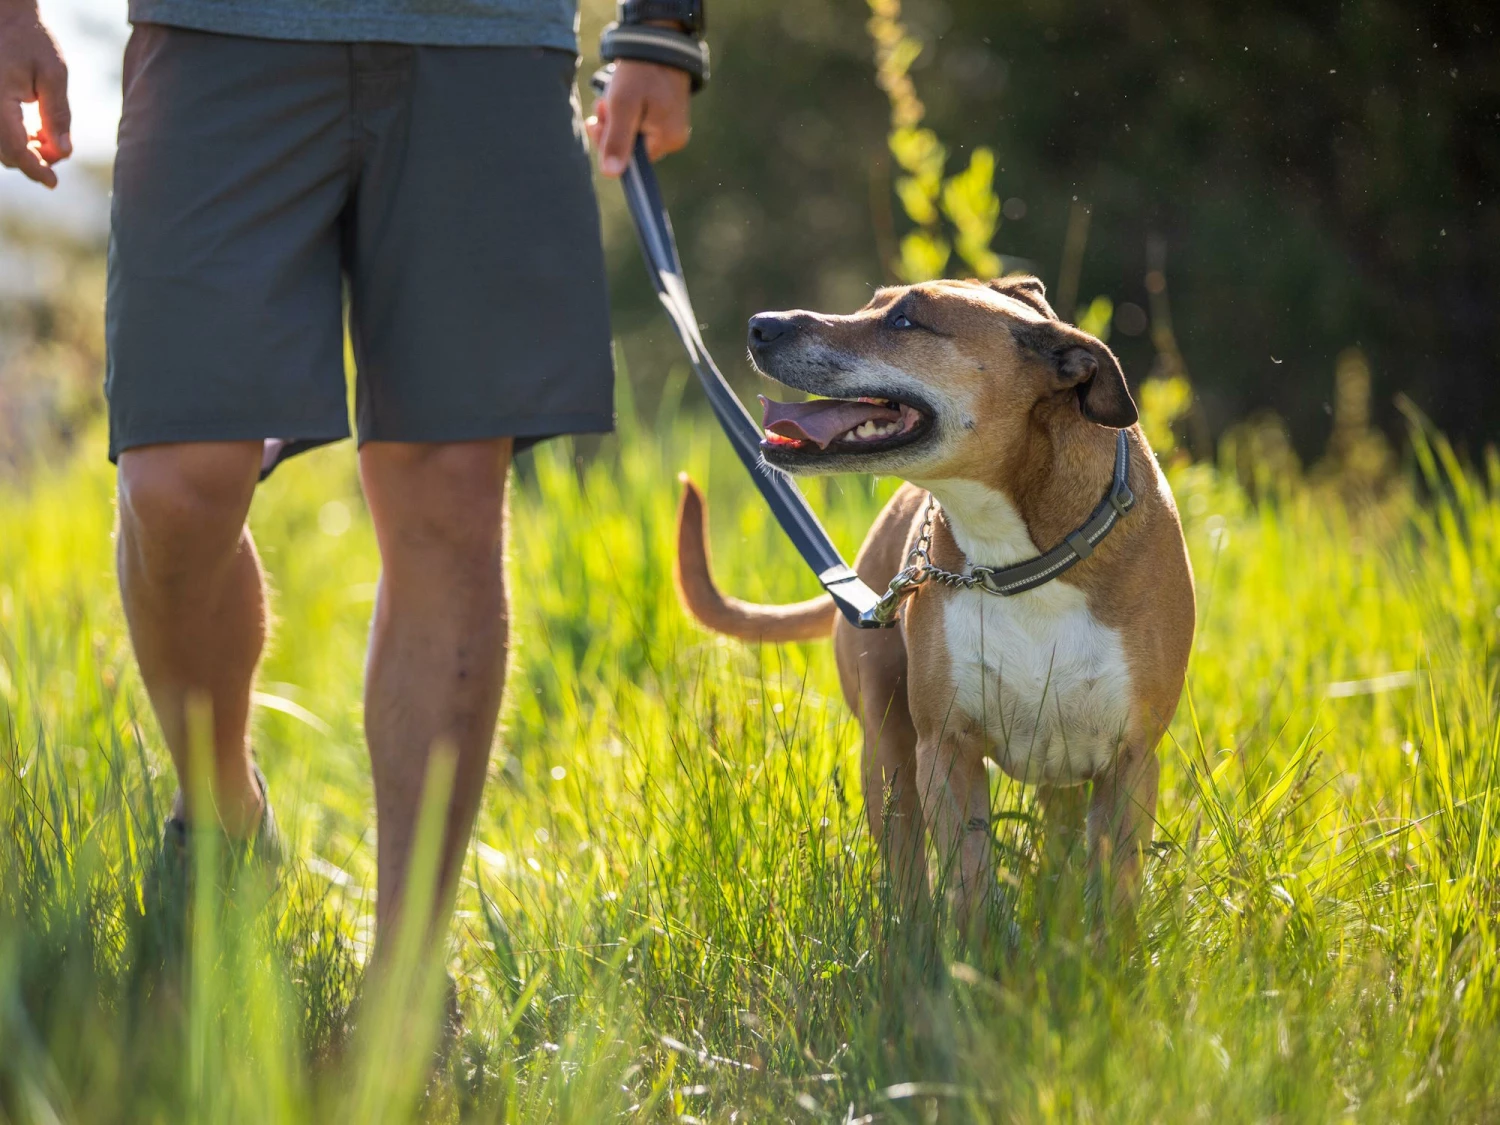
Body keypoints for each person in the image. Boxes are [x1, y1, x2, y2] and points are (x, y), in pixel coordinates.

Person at [0, 0, 706, 949]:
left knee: (452, 487)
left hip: (487, 39)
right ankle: (220, 825)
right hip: (219, 34)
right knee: (174, 479)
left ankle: (409, 988)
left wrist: (663, 23)